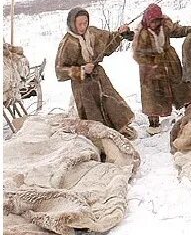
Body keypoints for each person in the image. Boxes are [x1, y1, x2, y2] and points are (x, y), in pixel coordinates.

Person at [55, 7, 136, 139]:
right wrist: (81, 70)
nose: (83, 27)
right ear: (72, 24)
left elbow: (109, 41)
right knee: (92, 112)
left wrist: (120, 33)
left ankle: (118, 129)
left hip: (99, 77)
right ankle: (99, 138)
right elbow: (59, 71)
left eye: (85, 22)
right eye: (79, 24)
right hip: (82, 85)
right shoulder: (68, 43)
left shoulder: (93, 33)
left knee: (111, 102)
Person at [132, 3, 191, 135]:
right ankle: (154, 122)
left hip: (169, 60)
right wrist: (151, 64)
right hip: (150, 67)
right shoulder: (142, 34)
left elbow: (177, 30)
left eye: (157, 21)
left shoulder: (165, 26)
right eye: (152, 22)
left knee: (179, 85)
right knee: (152, 94)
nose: (154, 25)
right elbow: (138, 54)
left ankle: (190, 109)